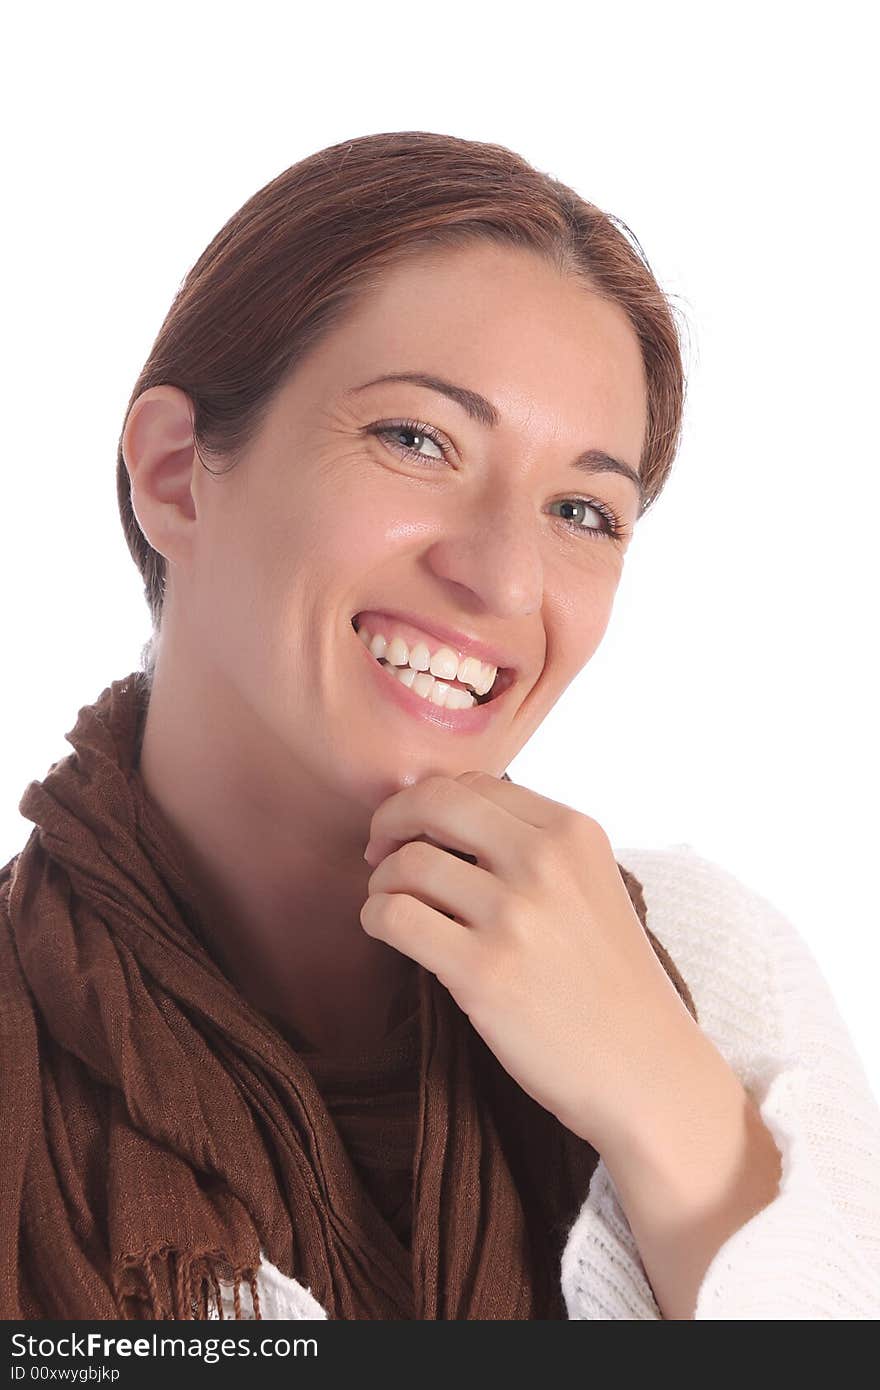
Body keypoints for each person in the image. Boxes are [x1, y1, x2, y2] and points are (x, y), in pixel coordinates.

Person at [1, 131, 878, 1322]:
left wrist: (665, 1101)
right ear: (173, 474)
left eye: (582, 508)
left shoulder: (717, 976)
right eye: (417, 440)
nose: (506, 578)